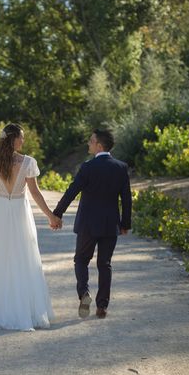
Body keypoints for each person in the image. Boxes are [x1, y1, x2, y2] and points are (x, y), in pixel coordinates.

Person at [0, 123, 59, 331]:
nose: (23, 141)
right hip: (19, 211)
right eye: (21, 137)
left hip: (1, 211)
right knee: (24, 255)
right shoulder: (27, 162)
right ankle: (24, 307)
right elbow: (35, 193)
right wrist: (51, 216)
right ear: (13, 139)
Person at [52, 129, 132, 319]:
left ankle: (84, 294)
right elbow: (127, 199)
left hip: (88, 223)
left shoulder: (88, 167)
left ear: (99, 145)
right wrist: (125, 224)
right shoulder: (121, 167)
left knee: (81, 260)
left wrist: (57, 214)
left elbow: (72, 191)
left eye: (91, 141)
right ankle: (102, 306)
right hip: (110, 224)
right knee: (105, 264)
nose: (88, 144)